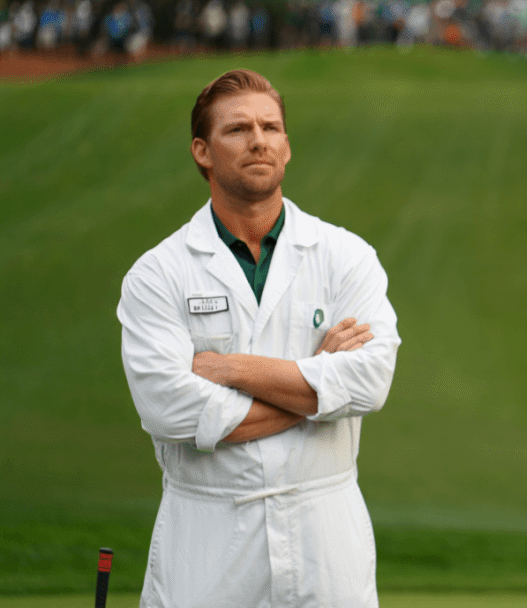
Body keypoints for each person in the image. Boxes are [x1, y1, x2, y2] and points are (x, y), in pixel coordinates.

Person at [117, 69, 401, 607]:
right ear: (202, 151)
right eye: (238, 129)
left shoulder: (346, 257)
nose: (258, 140)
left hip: (326, 531)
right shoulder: (158, 274)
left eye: (271, 127)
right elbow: (167, 408)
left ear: (287, 147)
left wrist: (232, 369)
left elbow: (369, 384)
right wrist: (317, 389)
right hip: (208, 532)